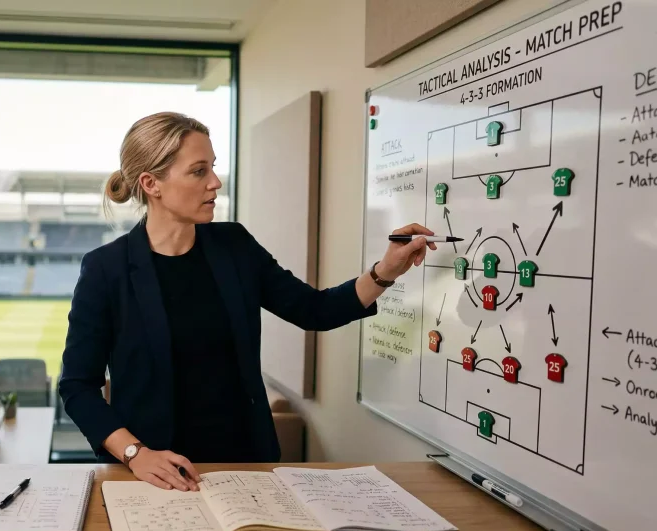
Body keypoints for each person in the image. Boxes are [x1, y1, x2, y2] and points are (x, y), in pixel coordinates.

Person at [57, 111, 435, 493]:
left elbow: (314, 309)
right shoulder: (106, 269)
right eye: (198, 171)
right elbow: (77, 387)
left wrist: (385, 270)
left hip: (247, 467)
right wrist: (136, 454)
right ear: (151, 183)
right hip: (153, 476)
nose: (215, 183)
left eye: (213, 168)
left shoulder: (234, 246)